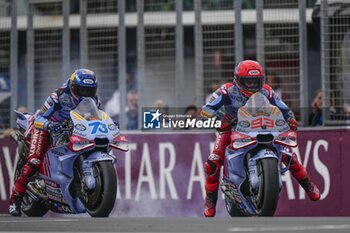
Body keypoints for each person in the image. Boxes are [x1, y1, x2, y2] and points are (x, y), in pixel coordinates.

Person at [199, 60, 321, 218]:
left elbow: (283, 108)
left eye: (255, 81)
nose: (252, 85)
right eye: (248, 81)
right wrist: (221, 118)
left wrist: (290, 119)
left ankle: (308, 185)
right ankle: (210, 200)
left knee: (287, 154)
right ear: (238, 80)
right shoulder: (226, 90)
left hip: (262, 127)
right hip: (232, 130)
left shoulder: (267, 91)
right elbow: (205, 110)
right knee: (213, 162)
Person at [9, 69, 101, 216]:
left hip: (73, 130)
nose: (85, 94)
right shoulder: (58, 96)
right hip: (46, 128)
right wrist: (50, 125)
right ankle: (15, 200)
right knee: (33, 161)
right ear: (73, 87)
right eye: (81, 90)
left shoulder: (94, 100)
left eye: (89, 90)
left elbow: (95, 118)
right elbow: (39, 117)